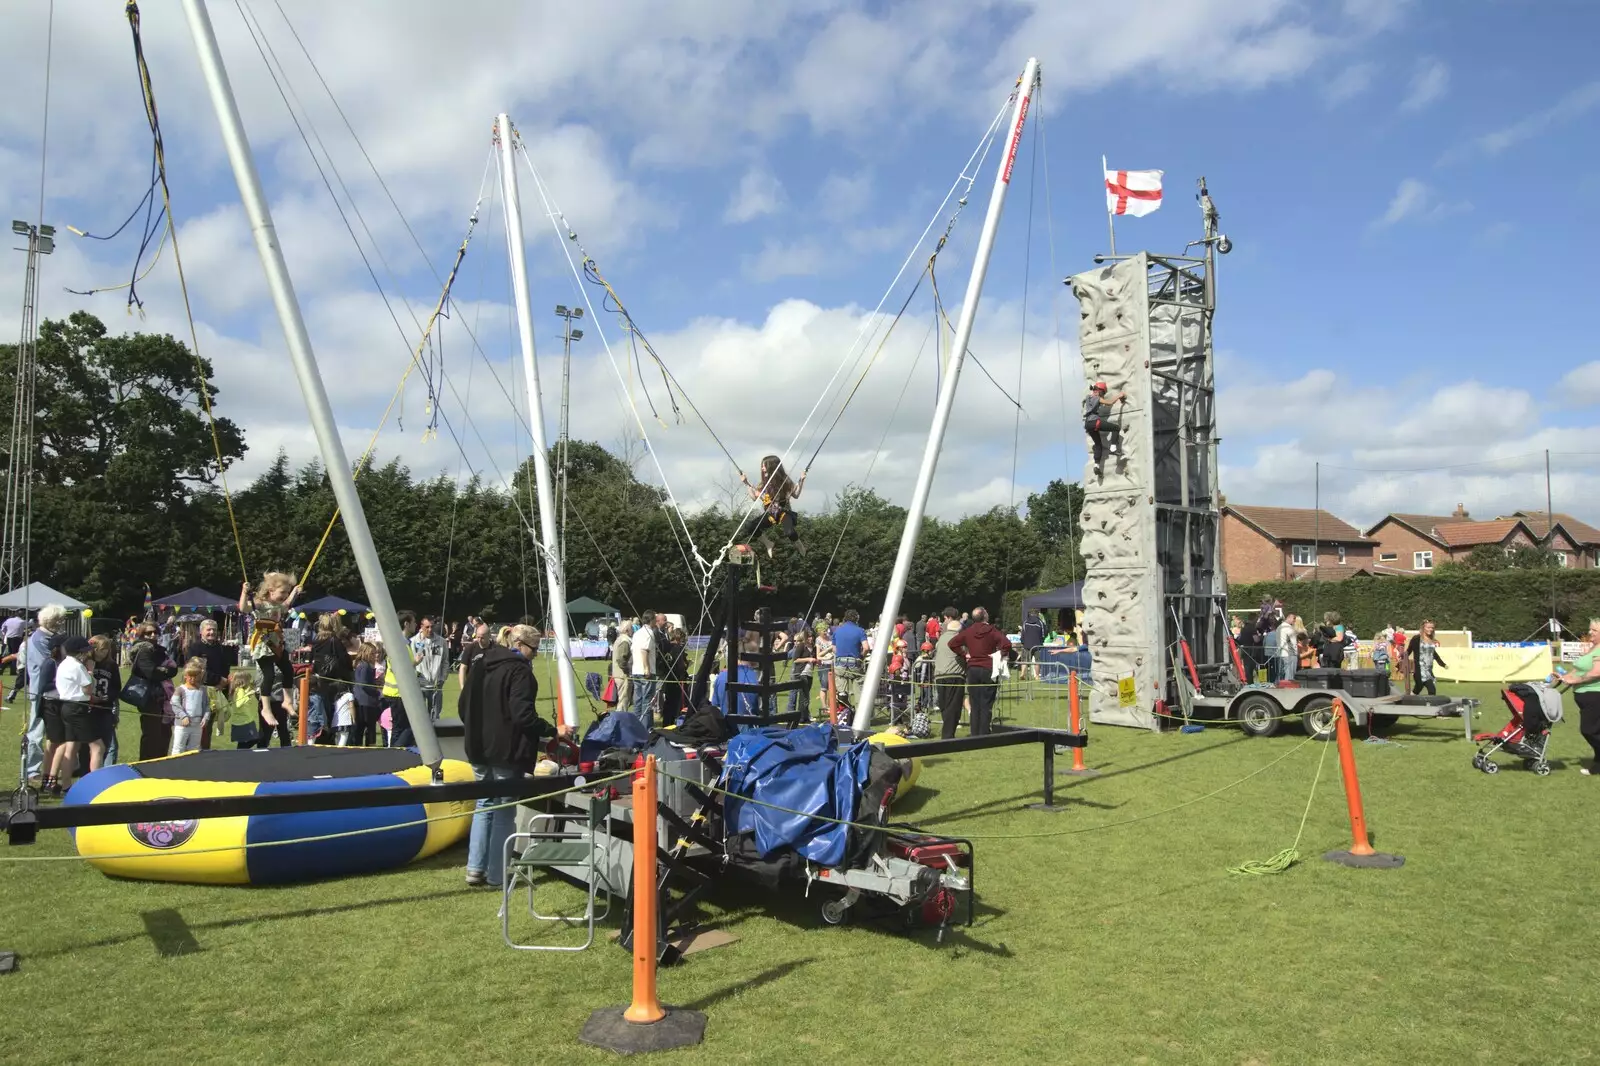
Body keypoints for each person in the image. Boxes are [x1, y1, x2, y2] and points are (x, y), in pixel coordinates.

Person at [460, 623, 554, 889]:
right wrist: (551, 730)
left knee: (484, 805)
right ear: (523, 646)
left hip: (478, 746)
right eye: (535, 650)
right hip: (504, 750)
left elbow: (462, 705)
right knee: (502, 810)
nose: (536, 655)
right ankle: (496, 874)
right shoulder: (520, 672)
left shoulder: (481, 662)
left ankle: (475, 868)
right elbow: (522, 715)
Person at [239, 573, 301, 736]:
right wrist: (244, 593)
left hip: (276, 642)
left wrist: (295, 592)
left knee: (288, 670)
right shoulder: (260, 603)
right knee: (269, 674)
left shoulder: (279, 605)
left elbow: (287, 604)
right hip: (263, 642)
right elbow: (243, 608)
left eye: (286, 593)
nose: (285, 596)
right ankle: (266, 709)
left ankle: (287, 700)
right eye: (282, 592)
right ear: (271, 590)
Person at [948, 607, 1012, 736]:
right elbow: (1007, 644)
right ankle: (983, 732)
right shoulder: (992, 630)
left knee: (975, 701)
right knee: (986, 702)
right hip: (988, 668)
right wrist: (999, 653)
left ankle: (975, 732)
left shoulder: (968, 631)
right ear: (985, 616)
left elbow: (952, 643)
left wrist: (964, 654)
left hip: (973, 669)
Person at [23, 604, 68, 785]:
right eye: (61, 620)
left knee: (52, 732)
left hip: (48, 691)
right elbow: (51, 664)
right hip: (41, 691)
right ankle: (32, 770)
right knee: (36, 732)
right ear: (53, 621)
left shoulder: (46, 637)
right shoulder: (40, 639)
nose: (62, 623)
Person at [1553, 618, 1600, 776]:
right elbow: (1578, 669)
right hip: (1584, 696)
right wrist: (1564, 677)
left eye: (1594, 630)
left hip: (1595, 695)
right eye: (1590, 629)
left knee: (1589, 730)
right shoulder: (1593, 648)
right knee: (1595, 730)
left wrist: (1575, 680)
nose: (1590, 632)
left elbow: (1596, 673)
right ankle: (1598, 765)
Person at [129, 621, 179, 761]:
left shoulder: (160, 650)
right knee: (152, 735)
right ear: (141, 634)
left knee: (165, 734)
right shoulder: (142, 650)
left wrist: (164, 671)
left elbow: (174, 669)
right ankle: (146, 765)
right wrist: (165, 671)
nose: (153, 635)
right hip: (149, 697)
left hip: (163, 697)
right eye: (148, 633)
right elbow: (151, 672)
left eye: (155, 632)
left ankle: (161, 764)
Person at [738, 454, 806, 557]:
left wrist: (801, 481)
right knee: (750, 527)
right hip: (770, 514)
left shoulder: (785, 481)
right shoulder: (763, 484)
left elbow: (795, 495)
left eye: (764, 466)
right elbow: (754, 498)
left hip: (784, 512)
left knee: (789, 532)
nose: (762, 468)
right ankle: (768, 544)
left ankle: (799, 544)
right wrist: (746, 483)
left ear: (771, 467)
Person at [183, 619, 237, 750]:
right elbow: (196, 670)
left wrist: (224, 684)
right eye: (208, 629)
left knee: (207, 725)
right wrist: (218, 679)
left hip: (216, 692)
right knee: (194, 724)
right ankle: (188, 752)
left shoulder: (221, 648)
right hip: (197, 691)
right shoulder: (194, 648)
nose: (212, 632)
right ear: (201, 632)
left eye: (214, 629)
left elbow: (226, 668)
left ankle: (204, 752)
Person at [712, 632, 763, 722]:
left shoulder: (721, 676)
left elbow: (716, 706)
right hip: (750, 732)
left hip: (727, 730)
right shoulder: (755, 678)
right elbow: (760, 711)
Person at [88, 634, 122, 766]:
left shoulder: (111, 665)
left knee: (111, 744)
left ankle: (108, 771)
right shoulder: (87, 664)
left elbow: (116, 686)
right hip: (89, 708)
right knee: (92, 745)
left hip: (106, 708)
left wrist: (110, 696)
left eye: (107, 649)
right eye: (101, 649)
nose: (104, 652)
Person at [933, 608, 966, 739]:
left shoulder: (941, 639)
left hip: (940, 674)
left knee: (944, 704)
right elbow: (963, 653)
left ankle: (947, 731)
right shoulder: (959, 639)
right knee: (954, 705)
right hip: (954, 674)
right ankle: (947, 735)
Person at [410, 616, 449, 726]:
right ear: (421, 627)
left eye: (432, 627)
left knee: (435, 716)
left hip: (436, 684)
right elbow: (411, 662)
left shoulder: (442, 642)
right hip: (420, 684)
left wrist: (443, 678)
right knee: (419, 715)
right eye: (427, 627)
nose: (430, 629)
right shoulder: (413, 641)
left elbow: (445, 662)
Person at [169, 658, 212, 756]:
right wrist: (183, 716)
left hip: (197, 725)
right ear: (185, 676)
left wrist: (206, 718)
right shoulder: (180, 689)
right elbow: (174, 704)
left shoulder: (203, 690)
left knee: (194, 748)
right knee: (178, 747)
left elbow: (207, 706)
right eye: (190, 676)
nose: (193, 679)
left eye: (195, 676)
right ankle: (176, 767)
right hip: (182, 725)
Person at [1083, 381, 1127, 474]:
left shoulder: (1088, 398)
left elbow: (1093, 393)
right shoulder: (1097, 398)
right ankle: (1113, 448)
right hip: (1095, 422)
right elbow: (1110, 402)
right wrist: (1120, 395)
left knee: (1098, 445)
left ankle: (1096, 466)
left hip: (1088, 425)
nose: (1102, 395)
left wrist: (1095, 389)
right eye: (1102, 393)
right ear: (1099, 391)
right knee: (1116, 428)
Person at [830, 610, 866, 706]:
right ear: (856, 618)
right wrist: (862, 656)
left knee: (842, 692)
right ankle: (860, 715)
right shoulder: (860, 630)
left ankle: (845, 714)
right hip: (855, 663)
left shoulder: (837, 631)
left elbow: (834, 649)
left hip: (840, 664)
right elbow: (866, 647)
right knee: (859, 690)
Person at [630, 610, 658, 728]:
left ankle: (636, 726)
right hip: (645, 671)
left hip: (636, 670)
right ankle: (645, 729)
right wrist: (647, 668)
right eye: (655, 620)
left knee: (638, 700)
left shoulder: (637, 633)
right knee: (647, 701)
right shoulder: (649, 632)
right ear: (651, 620)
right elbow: (644, 650)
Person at [352, 641, 383, 747]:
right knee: (369, 727)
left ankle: (360, 745)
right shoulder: (364, 666)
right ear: (366, 653)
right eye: (373, 653)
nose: (375, 656)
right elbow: (364, 684)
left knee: (361, 728)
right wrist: (376, 691)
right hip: (366, 701)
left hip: (363, 700)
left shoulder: (362, 665)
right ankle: (369, 745)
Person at [1405, 620, 1447, 696]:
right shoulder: (1417, 638)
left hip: (1428, 669)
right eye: (1428, 627)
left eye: (1432, 628)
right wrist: (1402, 659)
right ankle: (1431, 706)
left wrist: (1443, 664)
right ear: (1423, 627)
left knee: (1418, 688)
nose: (1431, 629)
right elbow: (1409, 650)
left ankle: (1409, 699)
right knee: (1431, 689)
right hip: (1420, 669)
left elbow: (1434, 654)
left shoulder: (1431, 640)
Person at [788, 630, 816, 718]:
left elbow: (813, 660)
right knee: (804, 696)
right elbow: (795, 660)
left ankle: (804, 715)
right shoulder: (801, 646)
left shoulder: (814, 647)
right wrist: (808, 659)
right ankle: (801, 717)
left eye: (812, 637)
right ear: (805, 637)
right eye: (809, 637)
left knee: (806, 696)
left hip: (810, 673)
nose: (811, 638)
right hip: (801, 673)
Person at [457, 621, 492, 689]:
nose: (479, 640)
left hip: (490, 687)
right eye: (478, 637)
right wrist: (462, 686)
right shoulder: (470, 648)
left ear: (489, 636)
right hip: (472, 686)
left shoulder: (495, 648)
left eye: (482, 638)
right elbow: (463, 668)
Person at [610, 622, 634, 714]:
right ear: (627, 630)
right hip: (623, 675)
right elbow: (621, 659)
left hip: (619, 674)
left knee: (622, 699)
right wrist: (627, 670)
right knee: (623, 701)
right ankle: (621, 721)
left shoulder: (620, 639)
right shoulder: (625, 641)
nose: (633, 630)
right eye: (631, 628)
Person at [1275, 612, 1298, 683]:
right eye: (1294, 618)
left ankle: (1279, 688)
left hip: (1280, 653)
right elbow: (1294, 642)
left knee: (1281, 674)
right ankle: (1288, 689)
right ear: (1289, 617)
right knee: (1290, 675)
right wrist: (1296, 653)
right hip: (1289, 654)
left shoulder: (1279, 627)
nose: (1294, 621)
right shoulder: (1289, 628)